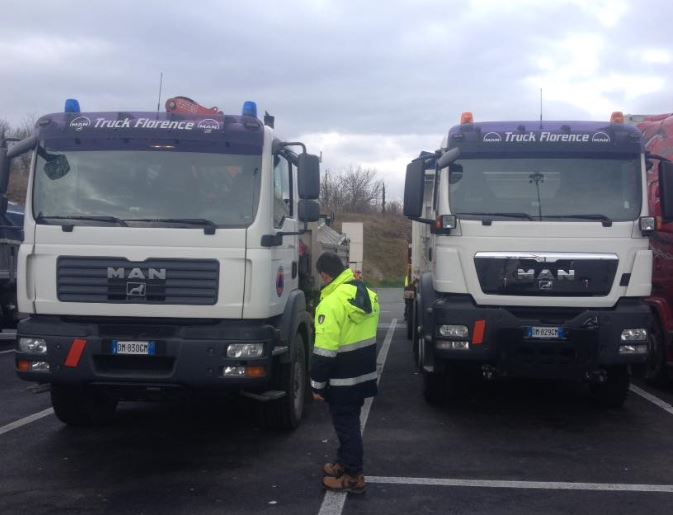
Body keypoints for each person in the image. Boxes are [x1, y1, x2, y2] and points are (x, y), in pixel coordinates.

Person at [310, 252, 380, 494]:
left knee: (346, 426)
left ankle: (353, 475)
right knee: (348, 423)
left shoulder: (331, 303)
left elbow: (324, 351)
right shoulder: (368, 295)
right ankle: (343, 462)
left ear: (326, 275)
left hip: (341, 379)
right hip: (363, 375)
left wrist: (317, 385)